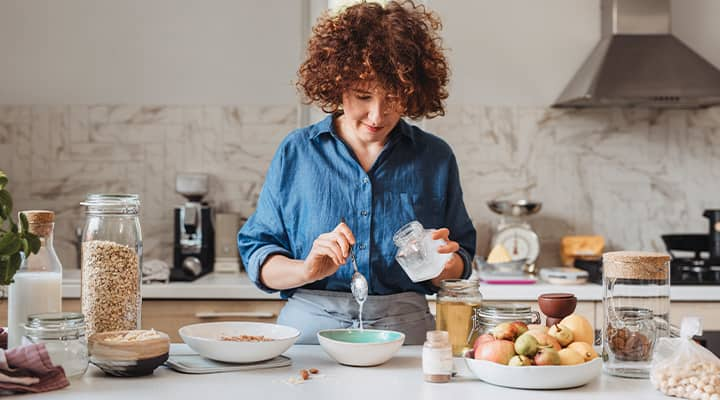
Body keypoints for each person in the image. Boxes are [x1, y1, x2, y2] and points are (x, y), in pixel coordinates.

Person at [238, 0, 476, 345]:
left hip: (405, 324)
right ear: (337, 85)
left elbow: (462, 261)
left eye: (393, 97)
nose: (377, 116)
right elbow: (259, 255)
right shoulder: (298, 152)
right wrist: (306, 269)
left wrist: (446, 266)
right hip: (310, 324)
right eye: (363, 96)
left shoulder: (435, 157)